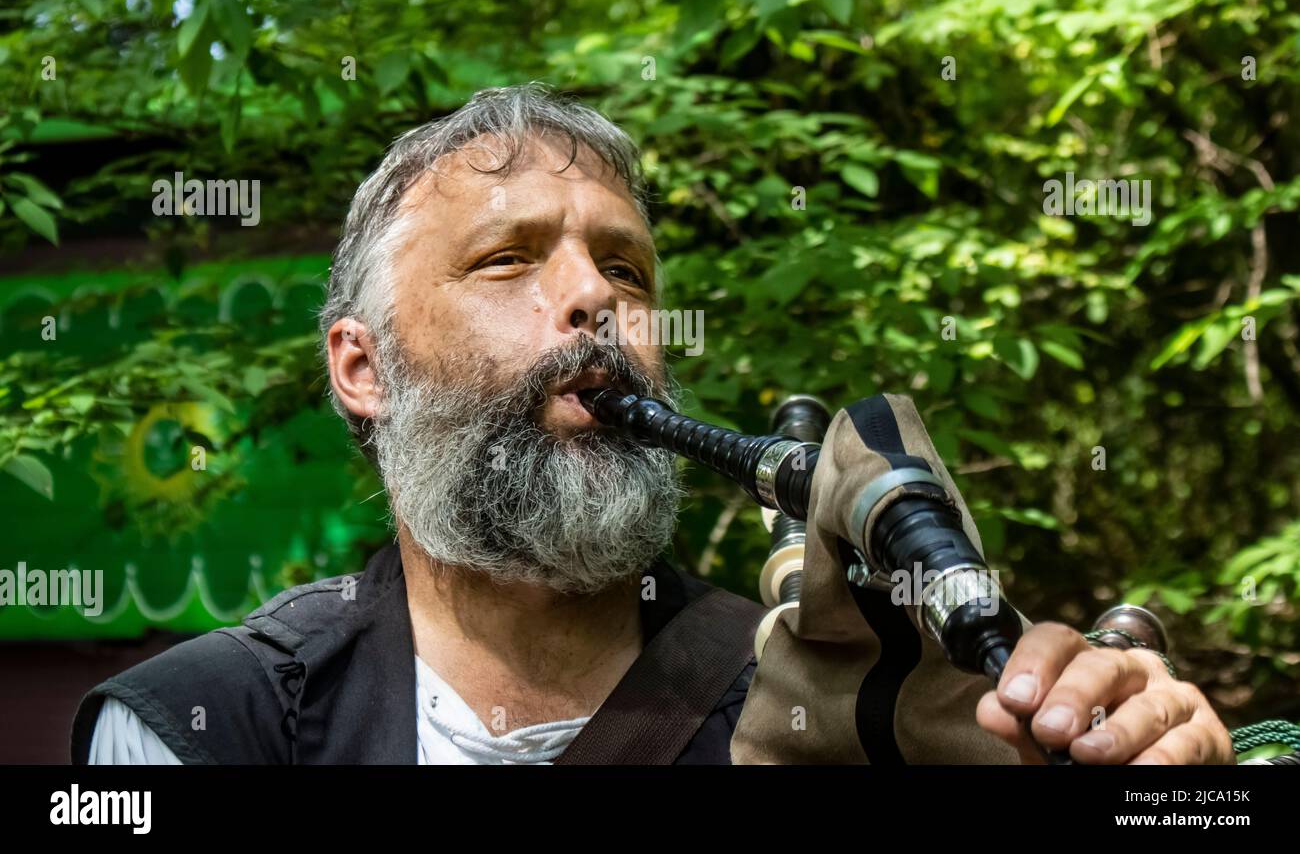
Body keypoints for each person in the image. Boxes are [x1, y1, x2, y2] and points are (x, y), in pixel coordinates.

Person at [71, 84, 1235, 765]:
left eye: (622, 267)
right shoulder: (201, 728)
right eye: (507, 258)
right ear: (362, 366)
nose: (595, 299)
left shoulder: (821, 699)